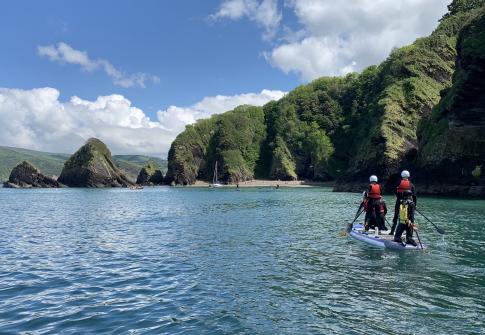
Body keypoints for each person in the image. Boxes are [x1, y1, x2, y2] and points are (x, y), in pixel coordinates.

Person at [391, 170, 418, 246]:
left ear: (402, 176)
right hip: (411, 204)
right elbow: (414, 196)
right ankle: (409, 236)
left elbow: (394, 191)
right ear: (408, 176)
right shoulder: (411, 185)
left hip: (399, 202)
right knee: (411, 218)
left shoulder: (398, 183)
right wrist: (415, 205)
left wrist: (398, 196)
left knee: (397, 216)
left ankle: (393, 231)